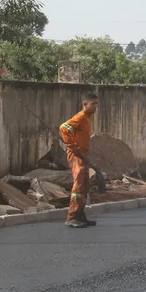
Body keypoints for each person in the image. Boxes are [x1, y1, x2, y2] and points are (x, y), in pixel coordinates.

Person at [59, 93, 100, 229]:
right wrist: (73, 146)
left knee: (84, 185)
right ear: (85, 105)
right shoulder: (80, 117)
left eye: (96, 104)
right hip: (76, 155)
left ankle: (81, 216)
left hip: (82, 155)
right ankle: (72, 217)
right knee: (79, 185)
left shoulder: (86, 119)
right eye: (92, 104)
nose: (95, 106)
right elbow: (63, 128)